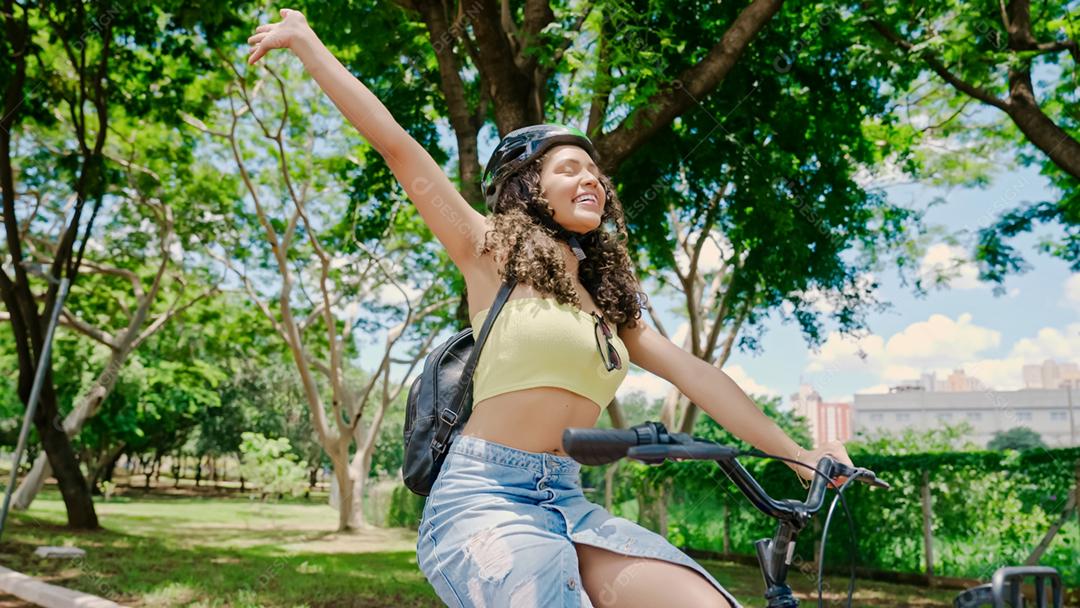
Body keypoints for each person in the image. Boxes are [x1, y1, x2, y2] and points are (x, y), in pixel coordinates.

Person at [247, 10, 855, 608]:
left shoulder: (611, 308)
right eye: (570, 169)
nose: (592, 179)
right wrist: (305, 41)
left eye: (596, 171)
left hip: (568, 497)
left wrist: (802, 458)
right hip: (483, 498)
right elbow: (398, 147)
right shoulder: (486, 251)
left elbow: (699, 377)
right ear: (527, 187)